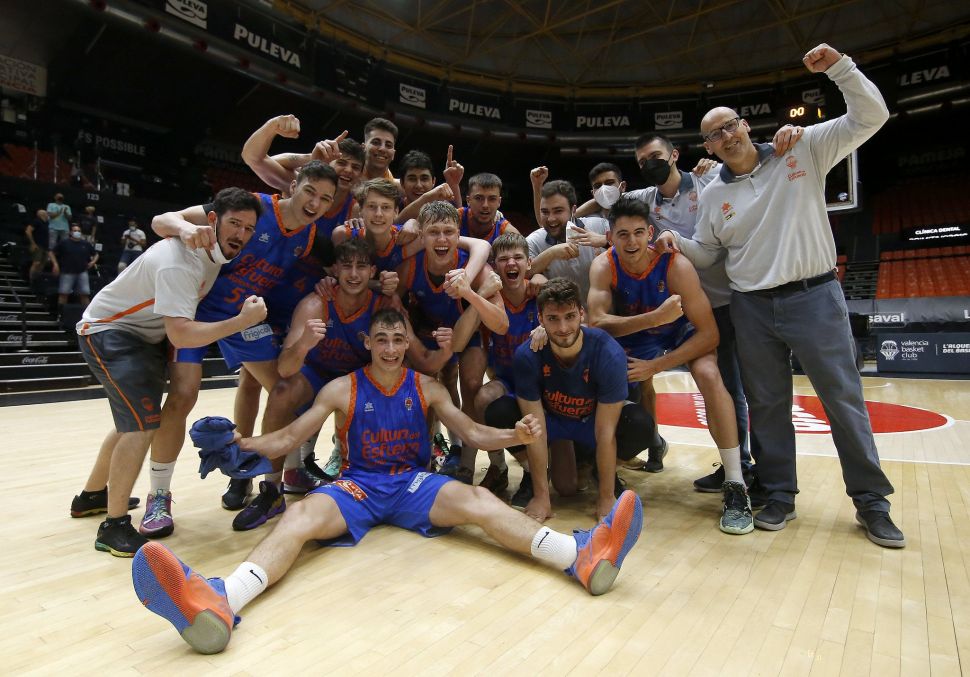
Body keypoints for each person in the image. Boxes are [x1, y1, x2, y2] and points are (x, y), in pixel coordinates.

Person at [132, 307, 644, 654]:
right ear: (368, 343)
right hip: (357, 486)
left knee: (478, 500)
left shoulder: (426, 386)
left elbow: (470, 432)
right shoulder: (341, 388)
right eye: (382, 339)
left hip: (412, 484)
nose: (392, 347)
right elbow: (289, 435)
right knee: (299, 515)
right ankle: (223, 599)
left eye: (400, 339)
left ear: (407, 344)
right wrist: (246, 444)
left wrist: (514, 433)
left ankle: (579, 555)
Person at [655, 43, 904, 547]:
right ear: (708, 149)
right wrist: (674, 242)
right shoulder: (713, 194)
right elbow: (708, 252)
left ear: (745, 125)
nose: (725, 137)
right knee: (767, 406)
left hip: (814, 295)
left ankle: (871, 502)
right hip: (752, 305)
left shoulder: (803, 149)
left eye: (729, 126)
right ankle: (779, 495)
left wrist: (841, 69)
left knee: (843, 400)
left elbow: (871, 115)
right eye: (713, 135)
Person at [143, 160, 337, 535]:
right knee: (183, 396)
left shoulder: (311, 236)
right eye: (310, 191)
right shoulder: (254, 207)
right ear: (294, 185)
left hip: (244, 319)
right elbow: (161, 220)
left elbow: (343, 265)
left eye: (325, 199)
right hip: (196, 313)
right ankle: (159, 496)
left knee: (286, 390)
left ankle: (260, 473)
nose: (315, 203)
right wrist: (186, 228)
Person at [70, 188, 265, 556]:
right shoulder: (181, 262)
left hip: (141, 336)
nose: (240, 234)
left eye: (249, 228)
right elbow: (181, 334)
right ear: (212, 220)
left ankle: (91, 496)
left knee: (132, 421)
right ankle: (113, 527)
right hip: (110, 331)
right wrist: (242, 321)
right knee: (141, 425)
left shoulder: (210, 248)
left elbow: (163, 220)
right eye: (234, 224)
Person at [233, 238, 457, 530]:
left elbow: (423, 361)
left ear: (372, 271)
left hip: (358, 377)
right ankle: (272, 490)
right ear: (334, 269)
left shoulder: (385, 304)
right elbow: (286, 369)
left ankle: (416, 471)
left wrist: (446, 352)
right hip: (317, 374)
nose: (353, 274)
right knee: (282, 392)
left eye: (361, 266)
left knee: (417, 383)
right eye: (347, 266)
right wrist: (303, 344)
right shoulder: (315, 304)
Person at [587, 197, 753, 534]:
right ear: (610, 237)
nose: (631, 242)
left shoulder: (676, 266)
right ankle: (607, 467)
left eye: (638, 233)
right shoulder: (603, 266)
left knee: (708, 373)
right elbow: (597, 323)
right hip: (637, 333)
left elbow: (709, 335)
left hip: (678, 333)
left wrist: (657, 365)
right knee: (599, 376)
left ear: (650, 233)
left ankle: (736, 483)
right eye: (622, 234)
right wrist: (654, 318)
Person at [501, 278, 657, 523]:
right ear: (540, 319)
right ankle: (535, 478)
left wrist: (606, 497)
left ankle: (599, 471)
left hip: (591, 423)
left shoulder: (608, 352)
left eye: (570, 316)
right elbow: (534, 429)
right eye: (553, 318)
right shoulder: (527, 355)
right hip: (553, 423)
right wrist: (542, 497)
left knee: (641, 424)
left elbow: (605, 432)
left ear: (582, 314)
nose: (563, 327)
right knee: (500, 411)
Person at [397, 201, 509, 483]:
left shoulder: (477, 269)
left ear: (459, 235)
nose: (442, 239)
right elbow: (390, 303)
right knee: (422, 388)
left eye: (448, 231)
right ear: (421, 236)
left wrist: (475, 294)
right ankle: (422, 462)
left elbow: (501, 323)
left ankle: (489, 464)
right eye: (434, 232)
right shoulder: (409, 267)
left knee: (471, 384)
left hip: (469, 333)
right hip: (428, 332)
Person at [451, 232, 543, 503]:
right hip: (506, 380)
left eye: (518, 257)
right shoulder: (490, 297)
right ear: (494, 267)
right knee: (481, 397)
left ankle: (545, 467)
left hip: (542, 383)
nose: (511, 263)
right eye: (503, 259)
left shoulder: (540, 293)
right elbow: (459, 343)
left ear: (529, 263)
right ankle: (503, 467)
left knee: (569, 482)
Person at [526, 177, 610, 306]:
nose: (551, 219)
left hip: (606, 316)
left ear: (573, 210)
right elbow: (522, 273)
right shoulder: (533, 241)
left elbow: (632, 252)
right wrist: (551, 253)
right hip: (564, 317)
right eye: (545, 212)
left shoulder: (601, 226)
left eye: (558, 211)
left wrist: (606, 241)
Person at [51, 224, 99, 310]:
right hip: (67, 272)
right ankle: (60, 313)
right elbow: (51, 252)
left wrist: (93, 262)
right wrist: (55, 264)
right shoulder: (64, 242)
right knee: (64, 294)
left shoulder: (85, 243)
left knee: (84, 294)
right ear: (71, 232)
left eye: (79, 231)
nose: (77, 232)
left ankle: (87, 315)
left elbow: (96, 254)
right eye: (75, 230)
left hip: (82, 272)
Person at [460, 173, 518, 242]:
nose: (485, 205)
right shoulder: (456, 218)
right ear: (468, 200)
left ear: (499, 202)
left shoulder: (508, 233)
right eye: (478, 198)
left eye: (492, 199)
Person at [25, 209, 52, 288]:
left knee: (42, 264)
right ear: (41, 214)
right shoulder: (36, 221)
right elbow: (28, 231)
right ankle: (31, 280)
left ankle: (37, 280)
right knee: (36, 262)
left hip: (45, 246)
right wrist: (33, 243)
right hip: (38, 245)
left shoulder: (47, 223)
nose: (47, 214)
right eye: (46, 213)